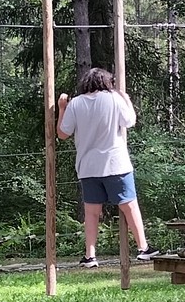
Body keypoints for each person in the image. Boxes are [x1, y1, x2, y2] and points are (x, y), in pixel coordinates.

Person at [57, 67, 160, 268]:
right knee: (129, 206)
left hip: (88, 167)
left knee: (91, 212)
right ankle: (143, 248)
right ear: (107, 82)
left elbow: (62, 133)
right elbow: (129, 121)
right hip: (116, 164)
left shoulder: (76, 103)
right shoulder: (113, 98)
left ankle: (90, 255)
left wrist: (62, 108)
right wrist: (126, 98)